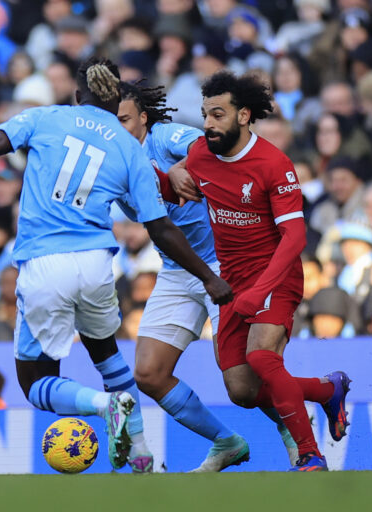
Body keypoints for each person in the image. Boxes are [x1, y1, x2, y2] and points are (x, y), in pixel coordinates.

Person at [0, 58, 232, 473]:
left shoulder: (46, 117)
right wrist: (208, 277)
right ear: (116, 99)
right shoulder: (129, 148)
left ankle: (104, 405)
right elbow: (162, 228)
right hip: (98, 265)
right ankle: (142, 456)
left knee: (35, 383)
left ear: (78, 95)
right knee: (107, 356)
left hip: (45, 263)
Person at [159, 71, 351, 472]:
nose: (208, 123)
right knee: (242, 391)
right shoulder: (200, 156)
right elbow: (169, 193)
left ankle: (310, 454)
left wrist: (259, 290)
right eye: (205, 115)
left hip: (275, 274)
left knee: (263, 357)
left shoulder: (274, 164)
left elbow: (295, 237)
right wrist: (163, 174)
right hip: (231, 279)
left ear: (244, 115)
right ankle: (325, 390)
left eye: (217, 114)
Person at [117, 80, 292, 472]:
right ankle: (226, 442)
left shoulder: (164, 137)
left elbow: (207, 141)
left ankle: (293, 425)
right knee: (148, 374)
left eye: (124, 118)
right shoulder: (113, 162)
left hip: (221, 266)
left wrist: (180, 168)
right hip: (177, 270)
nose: (117, 126)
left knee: (243, 386)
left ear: (144, 119)